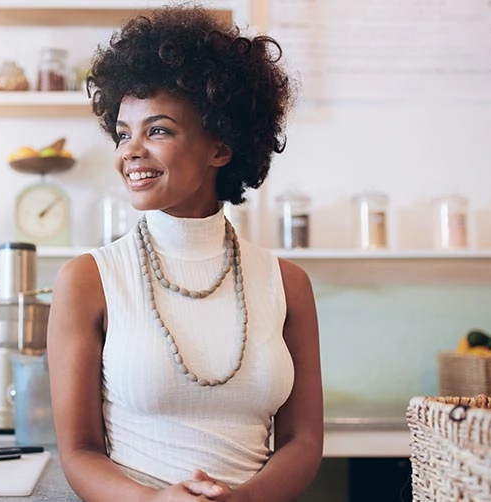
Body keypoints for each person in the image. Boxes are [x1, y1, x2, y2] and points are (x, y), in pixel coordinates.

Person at [47, 5, 323, 502]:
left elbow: (303, 442)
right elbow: (79, 451)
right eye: (123, 133)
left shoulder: (287, 283)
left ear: (221, 146)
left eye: (158, 130)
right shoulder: (88, 280)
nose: (130, 151)